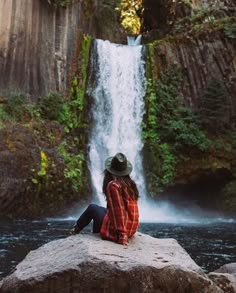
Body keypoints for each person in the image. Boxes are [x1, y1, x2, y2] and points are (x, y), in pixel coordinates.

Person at [71, 153, 139, 245]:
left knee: (93, 208)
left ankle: (75, 231)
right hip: (131, 229)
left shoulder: (113, 185)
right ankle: (92, 233)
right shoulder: (131, 184)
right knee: (99, 210)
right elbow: (131, 210)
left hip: (121, 231)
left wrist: (122, 236)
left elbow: (119, 212)